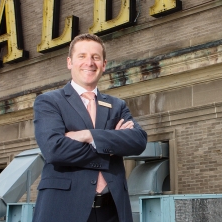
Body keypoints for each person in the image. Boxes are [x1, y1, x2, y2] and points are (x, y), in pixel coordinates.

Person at [32, 33, 147, 222]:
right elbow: (55, 150)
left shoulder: (117, 105)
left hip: (113, 210)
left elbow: (138, 141)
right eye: (82, 56)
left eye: (95, 57)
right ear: (70, 62)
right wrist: (112, 143)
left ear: (104, 64)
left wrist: (88, 135)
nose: (89, 62)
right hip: (64, 209)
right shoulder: (49, 101)